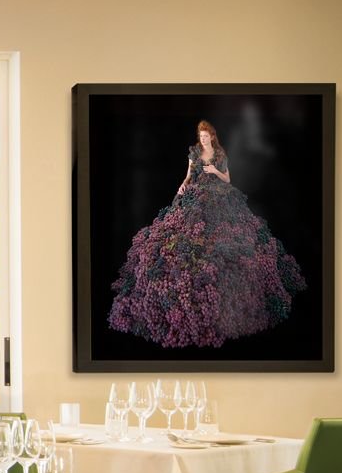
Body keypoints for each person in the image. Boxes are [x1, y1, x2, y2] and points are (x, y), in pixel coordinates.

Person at [108, 119, 305, 348]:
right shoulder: (194, 153)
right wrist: (183, 185)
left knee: (225, 235)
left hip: (218, 195)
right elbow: (188, 175)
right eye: (200, 136)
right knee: (181, 233)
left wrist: (214, 171)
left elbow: (228, 179)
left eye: (205, 136)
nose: (202, 139)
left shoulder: (220, 155)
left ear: (212, 136)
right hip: (195, 195)